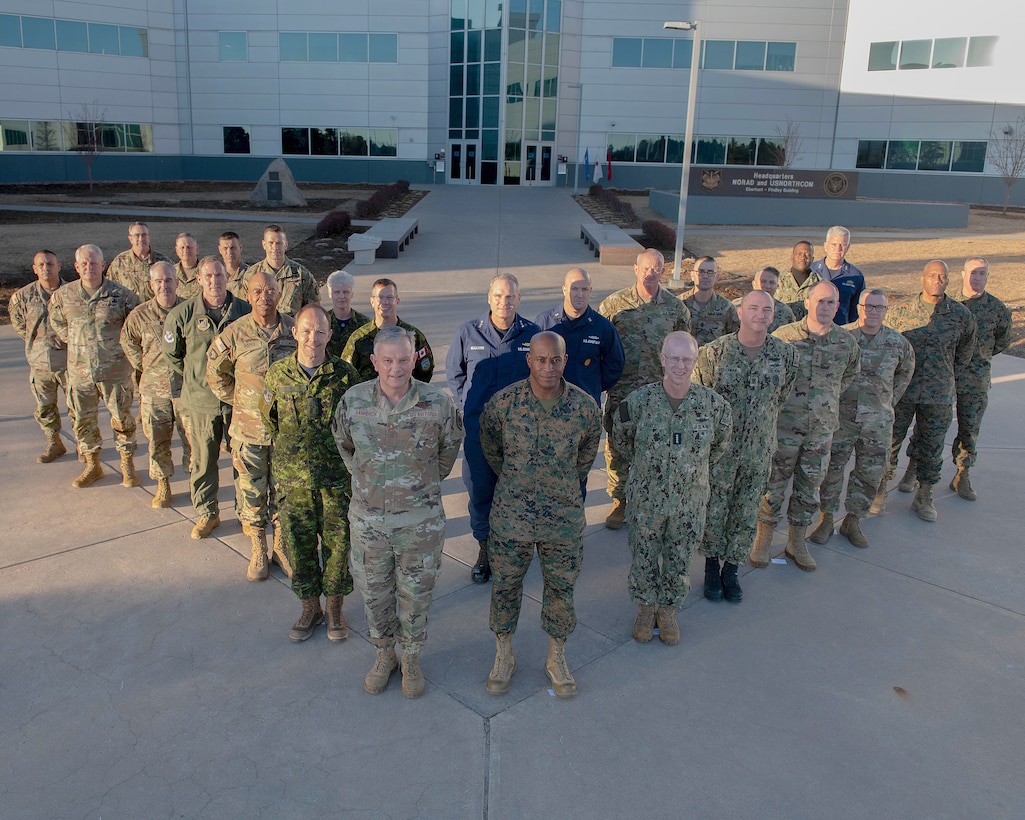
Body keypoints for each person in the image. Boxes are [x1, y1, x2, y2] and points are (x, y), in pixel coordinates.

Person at [334, 326, 463, 698]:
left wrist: (416, 486)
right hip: (369, 523)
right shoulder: (354, 402)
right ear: (374, 362)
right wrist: (370, 482)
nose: (396, 368)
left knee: (416, 595)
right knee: (375, 594)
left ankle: (411, 657)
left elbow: (447, 452)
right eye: (387, 360)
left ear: (414, 359)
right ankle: (383, 654)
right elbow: (345, 446)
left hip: (419, 524)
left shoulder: (437, 404)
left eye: (403, 359)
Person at [481, 331, 601, 698]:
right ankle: (504, 655)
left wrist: (558, 485)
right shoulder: (503, 404)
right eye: (541, 359)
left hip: (562, 519)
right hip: (511, 518)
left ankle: (556, 657)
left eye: (555, 360)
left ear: (565, 361)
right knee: (504, 588)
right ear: (529, 360)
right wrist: (518, 480)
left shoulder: (584, 409)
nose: (548, 367)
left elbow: (585, 459)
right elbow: (491, 448)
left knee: (561, 590)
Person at [612, 331, 731, 644]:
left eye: (687, 359)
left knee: (679, 559)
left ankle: (667, 611)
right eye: (674, 358)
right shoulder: (637, 403)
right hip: (646, 501)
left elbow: (718, 447)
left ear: (694, 362)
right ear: (662, 360)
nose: (680, 365)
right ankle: (644, 607)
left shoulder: (714, 406)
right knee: (644, 556)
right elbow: (621, 441)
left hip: (689, 503)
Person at [263, 305, 360, 642]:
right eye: (306, 330)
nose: (313, 338)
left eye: (320, 331)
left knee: (337, 546)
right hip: (293, 482)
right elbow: (269, 421)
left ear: (330, 334)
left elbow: (356, 426)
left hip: (335, 481)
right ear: (295, 332)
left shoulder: (345, 376)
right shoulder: (277, 375)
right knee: (298, 547)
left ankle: (334, 609)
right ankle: (309, 608)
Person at [695, 291, 798, 603]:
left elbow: (781, 397)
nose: (760, 314)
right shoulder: (714, 353)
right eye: (753, 308)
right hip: (720, 452)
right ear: (740, 312)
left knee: (745, 511)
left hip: (758, 451)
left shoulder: (786, 355)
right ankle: (711, 566)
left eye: (766, 309)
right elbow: (701, 401)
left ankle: (732, 568)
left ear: (773, 315)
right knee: (714, 509)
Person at [753, 281, 860, 571]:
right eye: (820, 301)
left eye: (831, 303)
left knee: (808, 488)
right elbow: (766, 376)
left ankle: (795, 540)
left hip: (821, 432)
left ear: (838, 307)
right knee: (772, 486)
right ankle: (763, 537)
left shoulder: (846, 343)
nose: (825, 308)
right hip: (783, 429)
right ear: (808, 303)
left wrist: (824, 403)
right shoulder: (783, 338)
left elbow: (848, 376)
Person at [447, 273, 540, 584]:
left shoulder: (533, 334)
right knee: (481, 493)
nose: (505, 302)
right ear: (489, 298)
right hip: (479, 435)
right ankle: (484, 549)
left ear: (519, 298)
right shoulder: (467, 333)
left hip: (520, 435)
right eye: (499, 296)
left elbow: (544, 377)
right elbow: (455, 376)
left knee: (518, 494)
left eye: (511, 296)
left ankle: (513, 552)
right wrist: (469, 409)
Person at [207, 272, 296, 579]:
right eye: (257, 291)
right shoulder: (235, 333)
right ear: (248, 294)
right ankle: (258, 548)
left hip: (286, 432)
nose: (264, 296)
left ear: (278, 293)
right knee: (252, 492)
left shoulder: (295, 330)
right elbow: (215, 372)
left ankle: (281, 547)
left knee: (284, 492)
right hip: (249, 431)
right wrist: (240, 401)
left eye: (270, 290)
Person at [810, 289, 914, 547]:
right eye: (868, 306)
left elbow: (905, 372)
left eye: (879, 307)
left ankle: (853, 520)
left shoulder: (897, 342)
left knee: (870, 474)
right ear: (859, 307)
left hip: (877, 423)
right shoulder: (842, 337)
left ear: (886, 311)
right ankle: (826, 518)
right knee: (832, 470)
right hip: (841, 419)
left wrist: (888, 401)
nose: (873, 311)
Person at [598, 248, 691, 529]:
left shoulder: (676, 308)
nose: (651, 273)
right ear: (636, 269)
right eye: (646, 268)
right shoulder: (614, 305)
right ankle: (620, 500)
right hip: (623, 392)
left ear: (663, 271)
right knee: (618, 447)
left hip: (658, 395)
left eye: (657, 268)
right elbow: (600, 344)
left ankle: (649, 501)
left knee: (656, 449)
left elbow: (685, 351)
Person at [162, 255, 252, 539]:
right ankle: (207, 513)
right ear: (198, 279)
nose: (215, 281)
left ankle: (246, 514)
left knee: (243, 461)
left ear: (228, 277)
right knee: (203, 461)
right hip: (200, 402)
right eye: (208, 276)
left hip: (237, 401)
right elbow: (174, 357)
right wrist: (198, 378)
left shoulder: (245, 312)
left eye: (219, 275)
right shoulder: (183, 314)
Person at [884, 261, 977, 522]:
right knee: (889, 441)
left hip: (938, 393)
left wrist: (946, 374)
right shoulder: (900, 312)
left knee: (933, 445)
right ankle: (879, 488)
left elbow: (965, 352)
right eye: (932, 275)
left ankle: (924, 494)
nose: (938, 280)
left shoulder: (960, 315)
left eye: (943, 276)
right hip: (903, 391)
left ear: (948, 281)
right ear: (922, 279)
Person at [50, 244, 141, 488]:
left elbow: (135, 329)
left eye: (94, 263)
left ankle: (127, 465)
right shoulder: (63, 296)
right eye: (84, 264)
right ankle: (93, 464)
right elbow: (59, 325)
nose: (89, 267)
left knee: (123, 421)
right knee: (83, 421)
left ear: (103, 265)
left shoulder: (123, 296)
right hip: (80, 374)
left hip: (115, 374)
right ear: (77, 267)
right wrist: (81, 344)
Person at [120, 261, 190, 508]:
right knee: (158, 441)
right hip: (154, 392)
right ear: (151, 285)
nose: (164, 286)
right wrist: (147, 367)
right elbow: (128, 342)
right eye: (158, 282)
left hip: (186, 390)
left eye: (168, 280)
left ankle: (196, 483)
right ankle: (163, 485)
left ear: (177, 282)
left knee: (192, 440)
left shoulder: (189, 309)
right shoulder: (139, 315)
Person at [949, 257, 1011, 500]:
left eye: (982, 273)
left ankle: (962, 474)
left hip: (975, 379)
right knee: (929, 427)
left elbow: (1002, 341)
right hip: (943, 377)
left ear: (987, 277)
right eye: (972, 272)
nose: (976, 277)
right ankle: (915, 470)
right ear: (963, 274)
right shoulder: (948, 303)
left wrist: (980, 356)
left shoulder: (997, 308)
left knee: (969, 430)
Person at [9, 250, 74, 463]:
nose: (46, 268)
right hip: (40, 364)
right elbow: (20, 325)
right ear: (34, 269)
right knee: (45, 407)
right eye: (41, 265)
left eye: (50, 264)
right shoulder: (23, 297)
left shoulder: (72, 293)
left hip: (69, 362)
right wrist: (38, 344)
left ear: (59, 266)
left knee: (78, 407)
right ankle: (54, 442)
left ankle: (84, 445)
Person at [534, 267, 624, 409]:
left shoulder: (602, 327)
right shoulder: (545, 322)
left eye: (584, 289)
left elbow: (614, 365)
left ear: (590, 291)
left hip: (585, 407)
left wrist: (592, 385)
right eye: (574, 289)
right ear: (564, 290)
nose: (579, 294)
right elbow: (531, 362)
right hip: (548, 406)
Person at [341, 278, 434, 383]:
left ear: (397, 301)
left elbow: (425, 372)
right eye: (380, 297)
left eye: (390, 297)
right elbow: (345, 374)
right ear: (372, 301)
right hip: (368, 397)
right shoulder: (358, 338)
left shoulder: (413, 336)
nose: (385, 302)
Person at [244, 224, 318, 315]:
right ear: (264, 244)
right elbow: (243, 310)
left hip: (291, 327)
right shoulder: (251, 275)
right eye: (271, 243)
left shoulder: (301, 275)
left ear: (286, 245)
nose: (275, 248)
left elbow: (313, 311)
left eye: (279, 243)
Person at [809, 226, 865, 324]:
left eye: (842, 245)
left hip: (841, 332)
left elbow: (856, 312)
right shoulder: (811, 271)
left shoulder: (856, 276)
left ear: (847, 247)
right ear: (826, 246)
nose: (838, 249)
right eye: (833, 244)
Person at [680, 256, 740, 346]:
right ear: (692, 275)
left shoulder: (727, 308)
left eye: (710, 272)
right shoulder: (679, 304)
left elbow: (734, 340)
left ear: (717, 277)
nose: (705, 276)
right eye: (701, 272)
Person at [105, 221, 170, 300]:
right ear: (130, 239)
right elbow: (109, 288)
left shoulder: (163, 262)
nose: (141, 239)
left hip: (153, 311)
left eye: (144, 235)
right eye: (137, 235)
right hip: (128, 310)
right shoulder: (119, 262)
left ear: (149, 237)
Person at [732, 266, 796, 333]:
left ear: (777, 286)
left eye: (772, 282)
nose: (767, 286)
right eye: (763, 281)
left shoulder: (785, 311)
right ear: (754, 284)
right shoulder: (736, 306)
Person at [324, 269, 371, 359]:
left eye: (346, 292)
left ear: (352, 294)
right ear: (330, 294)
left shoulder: (365, 324)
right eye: (337, 292)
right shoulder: (322, 322)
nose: (342, 297)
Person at [775, 241, 819, 319]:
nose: (802, 258)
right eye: (799, 254)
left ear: (812, 259)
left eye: (807, 255)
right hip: (782, 329)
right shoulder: (776, 281)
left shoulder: (820, 284)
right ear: (792, 257)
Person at [218, 231, 250, 300]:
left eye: (232, 248)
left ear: (240, 248)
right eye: (225, 248)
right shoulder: (216, 275)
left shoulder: (250, 274)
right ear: (220, 250)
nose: (229, 252)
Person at [173, 233, 201, 299]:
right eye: (182, 248)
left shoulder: (205, 271)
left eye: (189, 247)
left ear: (196, 249)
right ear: (177, 251)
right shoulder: (171, 272)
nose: (186, 251)